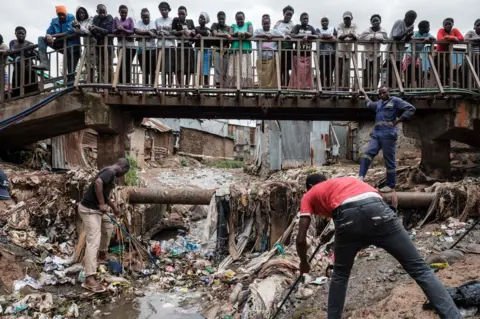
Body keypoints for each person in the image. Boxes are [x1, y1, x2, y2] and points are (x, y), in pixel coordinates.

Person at [296, 173, 463, 319]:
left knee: (340, 276)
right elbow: (362, 208)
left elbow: (301, 239)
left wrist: (304, 262)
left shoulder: (310, 194)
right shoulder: (345, 182)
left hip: (348, 220)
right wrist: (333, 233)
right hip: (379, 211)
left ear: (310, 187)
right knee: (421, 270)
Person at [78, 158, 130, 293]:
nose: (121, 176)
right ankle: (89, 278)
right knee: (93, 240)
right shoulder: (110, 171)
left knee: (108, 227)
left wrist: (113, 208)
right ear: (122, 168)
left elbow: (104, 194)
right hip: (89, 210)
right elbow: (98, 183)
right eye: (124, 173)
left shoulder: (109, 173)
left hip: (97, 210)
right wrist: (101, 204)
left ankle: (102, 255)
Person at [358, 87, 416, 193]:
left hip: (388, 134)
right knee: (367, 154)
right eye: (380, 93)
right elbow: (369, 104)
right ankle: (361, 177)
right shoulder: (379, 103)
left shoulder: (395, 101)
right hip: (377, 133)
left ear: (388, 92)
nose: (382, 94)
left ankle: (391, 185)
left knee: (389, 160)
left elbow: (411, 108)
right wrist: (364, 94)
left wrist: (399, 120)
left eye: (384, 92)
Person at [32, 5, 80, 85]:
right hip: (61, 45)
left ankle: (71, 88)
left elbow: (69, 32)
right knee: (41, 39)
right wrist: (48, 35)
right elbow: (49, 31)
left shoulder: (71, 18)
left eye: (63, 14)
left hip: (72, 48)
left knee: (71, 69)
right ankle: (44, 63)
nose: (61, 16)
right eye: (59, 15)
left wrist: (52, 36)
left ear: (66, 14)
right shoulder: (54, 21)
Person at [388, 10, 417, 88]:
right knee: (392, 72)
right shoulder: (400, 22)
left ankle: (396, 89)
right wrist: (407, 31)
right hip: (392, 52)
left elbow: (404, 40)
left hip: (399, 54)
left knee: (398, 72)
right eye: (412, 19)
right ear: (407, 17)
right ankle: (392, 89)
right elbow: (396, 37)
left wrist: (409, 35)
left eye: (414, 20)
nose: (413, 21)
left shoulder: (406, 26)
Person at [402, 20, 435, 88]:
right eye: (427, 28)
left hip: (417, 56)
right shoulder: (416, 33)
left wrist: (428, 38)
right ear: (421, 29)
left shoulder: (427, 34)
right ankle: (406, 89)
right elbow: (411, 39)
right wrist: (423, 39)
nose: (428, 29)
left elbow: (434, 38)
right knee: (409, 73)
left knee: (419, 74)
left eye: (429, 27)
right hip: (410, 55)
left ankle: (419, 89)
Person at [254, 14, 283, 88]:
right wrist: (264, 35)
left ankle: (269, 93)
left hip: (271, 58)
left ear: (270, 23)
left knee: (270, 78)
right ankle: (262, 92)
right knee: (261, 77)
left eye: (268, 23)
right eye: (264, 24)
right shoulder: (258, 30)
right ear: (261, 24)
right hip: (261, 58)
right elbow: (254, 36)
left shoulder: (274, 31)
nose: (266, 25)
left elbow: (283, 36)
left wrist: (272, 36)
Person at [289, 12, 317, 89]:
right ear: (300, 19)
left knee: (306, 73)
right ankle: (296, 89)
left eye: (307, 19)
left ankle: (306, 89)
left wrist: (308, 36)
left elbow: (316, 35)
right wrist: (302, 36)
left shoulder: (311, 28)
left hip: (307, 54)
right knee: (297, 73)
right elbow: (292, 35)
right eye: (304, 18)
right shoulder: (297, 27)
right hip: (298, 54)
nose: (306, 20)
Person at [359, 14, 388, 89]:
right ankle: (366, 90)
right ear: (371, 22)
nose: (375, 22)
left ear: (380, 21)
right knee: (366, 73)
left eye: (377, 20)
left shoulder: (383, 31)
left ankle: (375, 90)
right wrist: (369, 39)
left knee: (376, 73)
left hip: (377, 55)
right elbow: (359, 41)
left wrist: (382, 40)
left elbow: (387, 41)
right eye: (373, 21)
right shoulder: (366, 31)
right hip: (366, 55)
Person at [9, 26, 39, 97]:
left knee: (32, 87)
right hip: (17, 68)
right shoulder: (13, 42)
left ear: (25, 34)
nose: (21, 35)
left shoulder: (29, 43)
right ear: (15, 34)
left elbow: (35, 54)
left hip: (29, 68)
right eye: (19, 33)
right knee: (17, 88)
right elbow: (12, 51)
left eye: (23, 33)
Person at [227, 12, 254, 88]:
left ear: (244, 19)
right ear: (235, 20)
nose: (239, 21)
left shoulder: (248, 23)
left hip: (245, 52)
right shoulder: (233, 25)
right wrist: (237, 33)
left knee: (244, 71)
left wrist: (244, 33)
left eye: (241, 19)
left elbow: (251, 33)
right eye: (237, 19)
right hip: (234, 52)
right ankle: (234, 90)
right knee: (233, 71)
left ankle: (244, 90)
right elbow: (230, 34)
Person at [436, 18, 464, 87]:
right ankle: (442, 83)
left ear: (452, 25)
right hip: (440, 54)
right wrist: (453, 38)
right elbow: (440, 39)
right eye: (446, 24)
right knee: (445, 66)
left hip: (448, 53)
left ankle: (446, 83)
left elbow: (462, 38)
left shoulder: (454, 30)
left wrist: (448, 37)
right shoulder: (441, 30)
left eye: (449, 24)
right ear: (443, 25)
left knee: (449, 68)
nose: (448, 26)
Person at [172, 6, 196, 87]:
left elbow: (194, 33)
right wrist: (182, 31)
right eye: (180, 14)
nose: (181, 15)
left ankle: (186, 88)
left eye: (183, 13)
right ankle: (180, 88)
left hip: (188, 46)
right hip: (180, 45)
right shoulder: (175, 20)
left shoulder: (190, 21)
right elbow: (174, 32)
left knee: (189, 68)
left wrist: (191, 32)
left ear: (186, 14)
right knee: (179, 68)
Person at [90, 4, 114, 83]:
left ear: (106, 11)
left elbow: (108, 31)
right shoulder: (95, 18)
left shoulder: (109, 17)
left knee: (109, 66)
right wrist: (92, 29)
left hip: (108, 46)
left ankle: (110, 85)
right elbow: (94, 31)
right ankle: (100, 83)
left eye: (104, 12)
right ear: (97, 11)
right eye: (100, 12)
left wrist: (97, 28)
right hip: (99, 46)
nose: (102, 14)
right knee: (100, 65)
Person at [134, 8, 157, 86]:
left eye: (147, 17)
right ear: (141, 17)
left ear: (150, 16)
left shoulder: (153, 22)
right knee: (144, 70)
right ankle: (145, 88)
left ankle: (153, 88)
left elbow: (153, 32)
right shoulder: (138, 22)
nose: (146, 18)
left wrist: (142, 33)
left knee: (152, 70)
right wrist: (148, 31)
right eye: (144, 17)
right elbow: (136, 31)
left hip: (152, 49)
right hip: (141, 49)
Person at [113, 5, 136, 84]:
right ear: (119, 12)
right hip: (120, 45)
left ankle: (127, 84)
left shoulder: (129, 19)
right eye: (122, 12)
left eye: (125, 13)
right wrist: (117, 29)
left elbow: (132, 31)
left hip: (130, 46)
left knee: (127, 66)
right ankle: (120, 84)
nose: (124, 14)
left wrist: (124, 29)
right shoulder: (116, 19)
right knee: (120, 65)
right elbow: (112, 31)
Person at [273, 6, 295, 88]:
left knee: (286, 69)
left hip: (288, 49)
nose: (288, 16)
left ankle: (286, 87)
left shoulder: (292, 25)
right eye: (287, 14)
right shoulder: (278, 23)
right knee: (280, 69)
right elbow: (274, 32)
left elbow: (294, 35)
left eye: (290, 15)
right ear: (283, 14)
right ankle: (279, 86)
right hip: (279, 49)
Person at [73, 6, 96, 82]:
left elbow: (89, 32)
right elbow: (78, 32)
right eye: (79, 13)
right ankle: (89, 81)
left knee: (92, 63)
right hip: (86, 45)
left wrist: (80, 27)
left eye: (82, 13)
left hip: (93, 43)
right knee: (87, 63)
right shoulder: (79, 22)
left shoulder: (90, 20)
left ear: (85, 13)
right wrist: (75, 26)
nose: (81, 15)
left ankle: (93, 83)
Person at [155, 1, 175, 87]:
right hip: (160, 46)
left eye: (165, 10)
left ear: (168, 10)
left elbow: (175, 33)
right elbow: (154, 32)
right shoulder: (157, 20)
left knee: (170, 70)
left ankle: (170, 88)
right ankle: (163, 87)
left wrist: (167, 34)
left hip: (170, 46)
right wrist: (158, 33)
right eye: (162, 10)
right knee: (162, 70)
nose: (163, 11)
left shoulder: (172, 20)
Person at [337, 11, 358, 89]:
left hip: (348, 53)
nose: (346, 20)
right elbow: (340, 36)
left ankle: (345, 89)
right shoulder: (340, 25)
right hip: (340, 52)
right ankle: (338, 89)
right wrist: (348, 35)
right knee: (339, 72)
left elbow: (356, 36)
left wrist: (351, 35)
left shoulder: (354, 26)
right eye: (345, 19)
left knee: (346, 72)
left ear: (351, 18)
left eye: (348, 18)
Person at [211, 11, 231, 88]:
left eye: (222, 18)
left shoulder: (228, 27)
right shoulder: (215, 25)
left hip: (225, 50)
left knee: (225, 70)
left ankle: (224, 89)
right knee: (217, 69)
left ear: (225, 18)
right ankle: (218, 88)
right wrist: (226, 35)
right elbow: (215, 34)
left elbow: (230, 39)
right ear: (217, 19)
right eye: (219, 19)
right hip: (216, 49)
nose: (221, 20)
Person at [316, 17, 337, 89]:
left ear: (328, 22)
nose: (324, 22)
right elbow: (319, 36)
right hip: (322, 54)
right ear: (321, 22)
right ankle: (321, 88)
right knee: (322, 72)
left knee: (330, 73)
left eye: (326, 21)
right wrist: (329, 37)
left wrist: (324, 37)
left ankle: (329, 89)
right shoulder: (318, 29)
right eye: (323, 21)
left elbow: (335, 38)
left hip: (331, 54)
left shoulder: (332, 28)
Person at [194, 12, 213, 87]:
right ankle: (197, 88)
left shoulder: (208, 30)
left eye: (202, 18)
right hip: (198, 50)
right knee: (198, 71)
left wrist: (200, 34)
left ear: (206, 21)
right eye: (199, 17)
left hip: (207, 51)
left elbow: (209, 34)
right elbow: (193, 35)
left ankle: (206, 89)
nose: (200, 19)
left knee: (206, 71)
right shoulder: (196, 28)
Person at [465, 19, 480, 87]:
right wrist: (477, 40)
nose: (479, 27)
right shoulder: (471, 32)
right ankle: (467, 88)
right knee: (468, 72)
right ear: (474, 27)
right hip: (471, 56)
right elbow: (465, 39)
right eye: (478, 25)